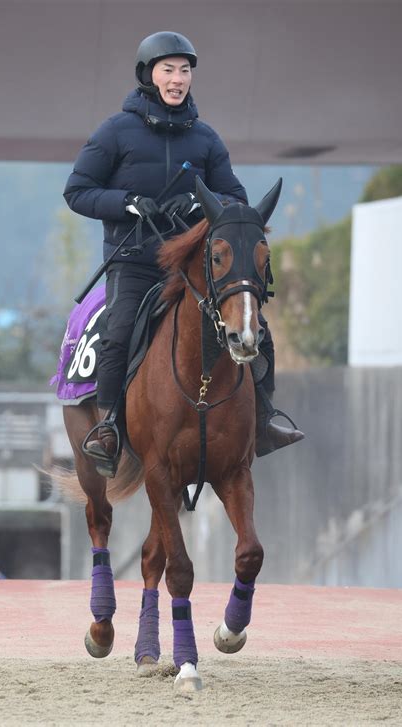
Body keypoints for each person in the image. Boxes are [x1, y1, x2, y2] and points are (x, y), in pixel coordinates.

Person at [64, 31, 303, 476]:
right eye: (168, 70)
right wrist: (128, 202)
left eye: (185, 70)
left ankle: (265, 418)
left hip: (195, 268)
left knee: (257, 327)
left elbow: (235, 198)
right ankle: (110, 428)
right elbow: (77, 192)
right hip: (135, 261)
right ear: (148, 76)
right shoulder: (115, 132)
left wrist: (199, 203)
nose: (177, 79)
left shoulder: (207, 139)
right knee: (118, 334)